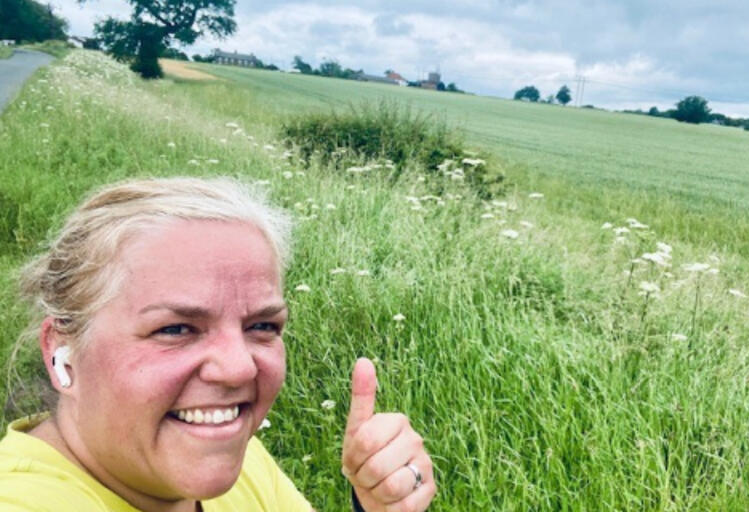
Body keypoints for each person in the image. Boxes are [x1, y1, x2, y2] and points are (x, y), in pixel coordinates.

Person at [0, 177, 436, 512]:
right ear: (62, 354)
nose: (239, 368)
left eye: (262, 325)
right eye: (175, 329)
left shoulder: (233, 455)